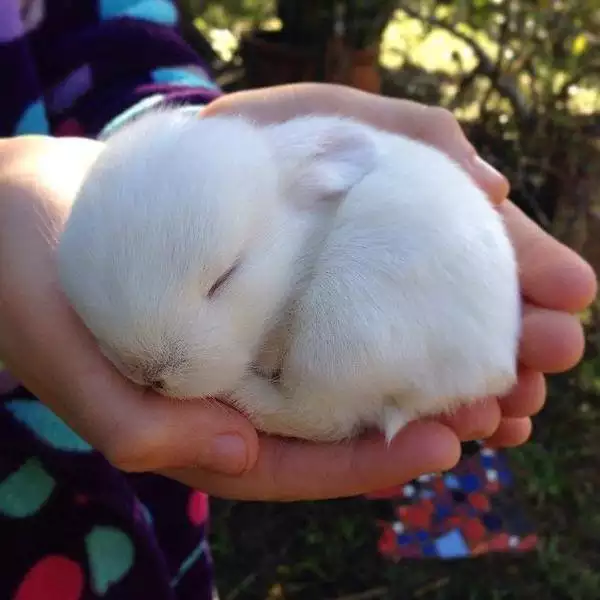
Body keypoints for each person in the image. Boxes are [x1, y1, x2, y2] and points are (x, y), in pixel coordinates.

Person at [0, 1, 596, 598]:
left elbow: (117, 53)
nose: (147, 369)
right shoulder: (244, 223)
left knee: (356, 288)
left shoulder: (308, 188)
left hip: (428, 324)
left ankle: (330, 406)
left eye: (219, 283)